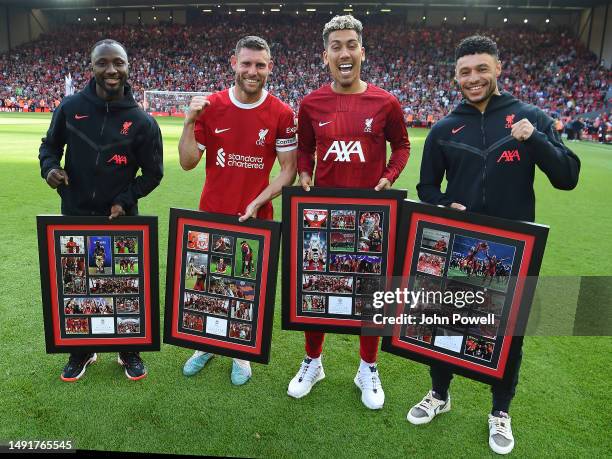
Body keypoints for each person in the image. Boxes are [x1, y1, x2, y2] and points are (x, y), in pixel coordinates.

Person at [411, 35, 579, 455]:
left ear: (499, 69)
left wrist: (536, 139)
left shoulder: (530, 116)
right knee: (445, 323)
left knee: (508, 334)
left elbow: (568, 176)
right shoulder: (445, 127)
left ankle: (500, 411)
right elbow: (426, 186)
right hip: (459, 250)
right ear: (455, 76)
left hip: (513, 254)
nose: (474, 78)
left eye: (482, 69)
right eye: (466, 72)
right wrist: (444, 203)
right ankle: (439, 395)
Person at [288, 15, 410, 410]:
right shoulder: (310, 103)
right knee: (319, 288)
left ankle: (367, 368)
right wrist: (304, 170)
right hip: (322, 217)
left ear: (362, 51)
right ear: (326, 56)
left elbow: (403, 146)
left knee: (371, 293)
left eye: (350, 45)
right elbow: (304, 148)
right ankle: (313, 361)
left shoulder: (386, 102)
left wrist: (390, 175)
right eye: (336, 46)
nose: (344, 52)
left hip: (370, 219)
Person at [38, 39, 163, 382]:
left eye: (118, 63)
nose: (111, 70)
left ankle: (128, 348)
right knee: (77, 283)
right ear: (91, 67)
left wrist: (125, 199)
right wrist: (50, 169)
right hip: (75, 213)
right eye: (103, 63)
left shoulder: (142, 121)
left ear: (128, 66)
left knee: (124, 284)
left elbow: (153, 174)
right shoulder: (70, 107)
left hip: (121, 219)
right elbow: (49, 148)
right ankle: (82, 349)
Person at [178, 35, 297, 385]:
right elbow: (187, 162)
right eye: (246, 63)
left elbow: (288, 170)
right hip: (211, 214)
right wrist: (188, 122)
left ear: (270, 68)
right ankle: (208, 345)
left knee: (247, 289)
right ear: (233, 64)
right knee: (208, 284)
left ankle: (241, 351)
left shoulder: (282, 113)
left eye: (260, 64)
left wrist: (259, 200)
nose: (252, 70)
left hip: (256, 221)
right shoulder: (211, 106)